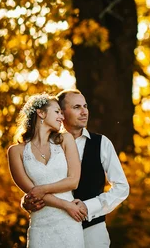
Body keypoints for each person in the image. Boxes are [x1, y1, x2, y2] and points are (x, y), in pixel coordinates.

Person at [23, 89, 130, 248]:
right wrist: (26, 201)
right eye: (77, 107)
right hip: (55, 228)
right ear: (62, 112)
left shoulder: (101, 143)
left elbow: (122, 187)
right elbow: (35, 183)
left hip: (93, 231)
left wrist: (89, 207)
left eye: (85, 106)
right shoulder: (44, 145)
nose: (84, 111)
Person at [7, 94, 85, 248]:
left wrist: (43, 189)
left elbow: (73, 181)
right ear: (41, 113)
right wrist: (66, 205)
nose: (61, 117)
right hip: (41, 225)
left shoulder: (65, 140)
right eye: (57, 112)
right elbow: (31, 191)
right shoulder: (16, 152)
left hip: (69, 224)